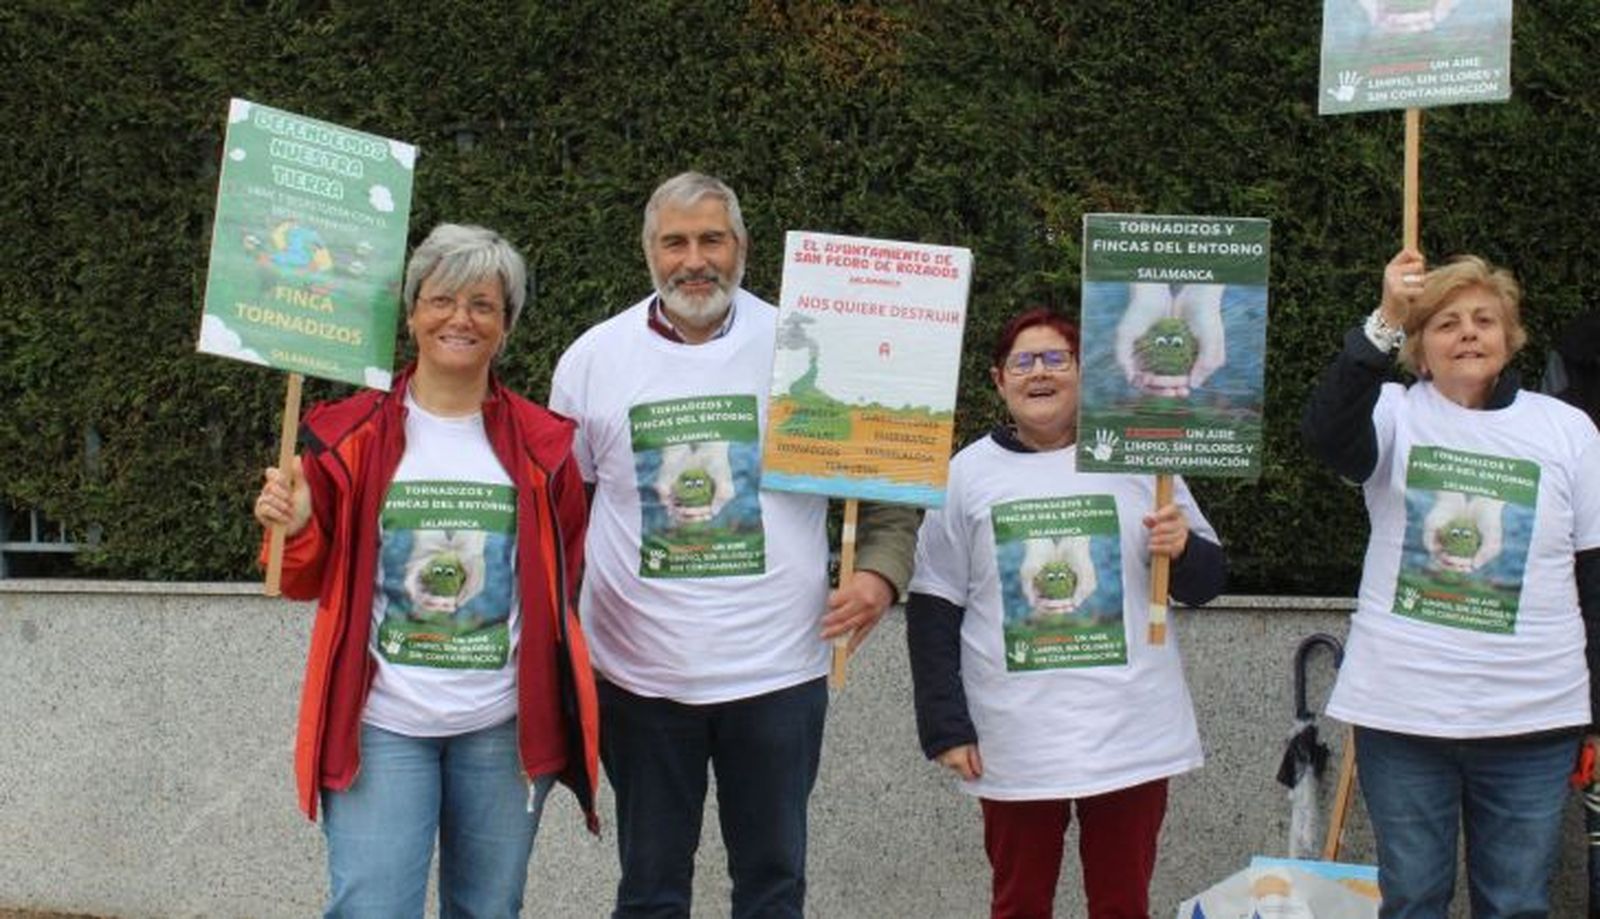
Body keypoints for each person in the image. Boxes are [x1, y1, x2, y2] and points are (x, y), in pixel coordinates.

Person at [548, 171, 918, 919]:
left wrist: (879, 574)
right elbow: (561, 512)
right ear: (648, 251)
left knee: (773, 884)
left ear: (741, 246)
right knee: (650, 889)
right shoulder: (591, 359)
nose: (695, 259)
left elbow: (889, 481)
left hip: (779, 673)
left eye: (711, 238)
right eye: (675, 241)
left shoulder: (806, 348)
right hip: (639, 679)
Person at [252, 223, 600, 918]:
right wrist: (293, 531)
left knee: (488, 909)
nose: (460, 319)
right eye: (442, 299)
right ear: (411, 312)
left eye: (483, 304)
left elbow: (564, 569)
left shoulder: (545, 445)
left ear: (506, 326)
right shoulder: (347, 435)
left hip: (501, 727)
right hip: (383, 724)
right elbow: (299, 576)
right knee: (371, 907)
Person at [1302, 249, 1600, 919]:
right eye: (1446, 323)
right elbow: (1324, 434)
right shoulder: (1391, 414)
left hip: (1534, 720)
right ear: (1419, 348)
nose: (1468, 332)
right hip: (1404, 716)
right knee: (1412, 899)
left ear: (1510, 336)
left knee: (1517, 902)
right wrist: (1383, 317)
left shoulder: (1569, 432)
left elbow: (1596, 578)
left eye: (1484, 319)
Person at [905, 307, 1226, 919]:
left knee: (1122, 903)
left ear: (1085, 374)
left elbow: (1207, 583)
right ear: (999, 379)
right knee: (1020, 902)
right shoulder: (965, 475)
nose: (1040, 373)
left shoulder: (1140, 461)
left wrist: (1180, 550)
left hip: (1130, 734)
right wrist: (945, 726)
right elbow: (933, 604)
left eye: (1057, 359)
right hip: (1014, 739)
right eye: (1023, 362)